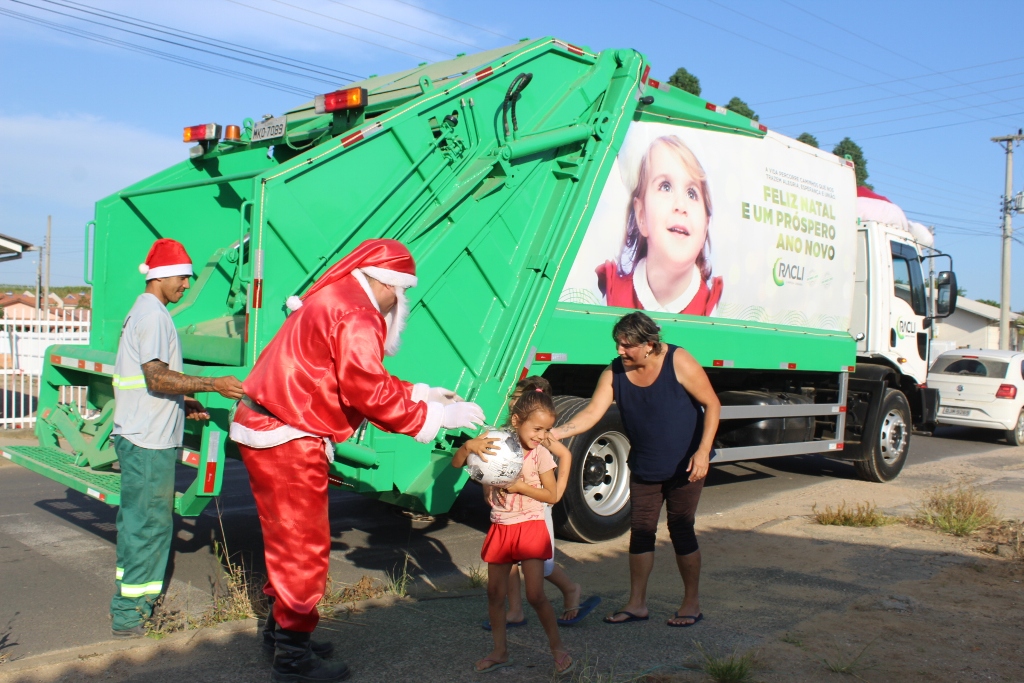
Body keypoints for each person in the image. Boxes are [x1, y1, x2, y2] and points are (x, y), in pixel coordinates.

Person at [230, 238, 485, 683]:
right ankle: (292, 657)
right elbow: (366, 390)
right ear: (387, 283)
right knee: (303, 546)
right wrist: (438, 416)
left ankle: (284, 635)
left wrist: (420, 392)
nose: (400, 303)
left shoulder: (338, 298)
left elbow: (356, 374)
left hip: (271, 425)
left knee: (286, 540)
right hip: (288, 434)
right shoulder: (358, 313)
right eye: (402, 292)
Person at [549, 311, 720, 627]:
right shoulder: (613, 373)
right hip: (645, 463)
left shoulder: (678, 361)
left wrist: (703, 452)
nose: (620, 351)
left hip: (686, 463)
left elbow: (712, 404)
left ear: (649, 344)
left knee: (681, 529)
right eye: (617, 343)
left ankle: (691, 603)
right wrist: (559, 432)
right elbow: (591, 414)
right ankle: (637, 604)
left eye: (627, 345)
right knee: (641, 532)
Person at [110, 238, 245, 637]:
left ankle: (136, 604)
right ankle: (130, 615)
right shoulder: (153, 316)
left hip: (142, 432)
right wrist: (210, 384)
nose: (186, 286)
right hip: (147, 439)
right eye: (183, 279)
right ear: (163, 276)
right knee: (147, 527)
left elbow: (146, 380)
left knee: (143, 523)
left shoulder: (145, 312)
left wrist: (184, 400)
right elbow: (155, 376)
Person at [454, 376, 600, 631]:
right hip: (509, 512)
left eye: (514, 398)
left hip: (536, 505)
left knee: (542, 565)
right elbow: (492, 465)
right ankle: (515, 610)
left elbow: (564, 455)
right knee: (510, 562)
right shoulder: (506, 434)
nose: (511, 402)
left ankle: (570, 589)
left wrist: (557, 493)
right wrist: (488, 486)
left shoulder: (539, 435)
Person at [452, 390, 574, 675]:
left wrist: (521, 488)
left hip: (530, 527)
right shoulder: (495, 444)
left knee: (535, 595)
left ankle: (558, 650)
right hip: (501, 527)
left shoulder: (541, 454)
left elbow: (553, 495)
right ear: (517, 420)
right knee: (495, 593)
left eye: (546, 429)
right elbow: (457, 464)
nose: (541, 435)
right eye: (536, 428)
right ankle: (500, 651)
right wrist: (468, 447)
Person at [596, 134, 723, 316]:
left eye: (692, 193)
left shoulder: (709, 308)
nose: (681, 205)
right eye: (665, 186)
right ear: (641, 215)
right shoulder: (614, 297)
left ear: (705, 228)